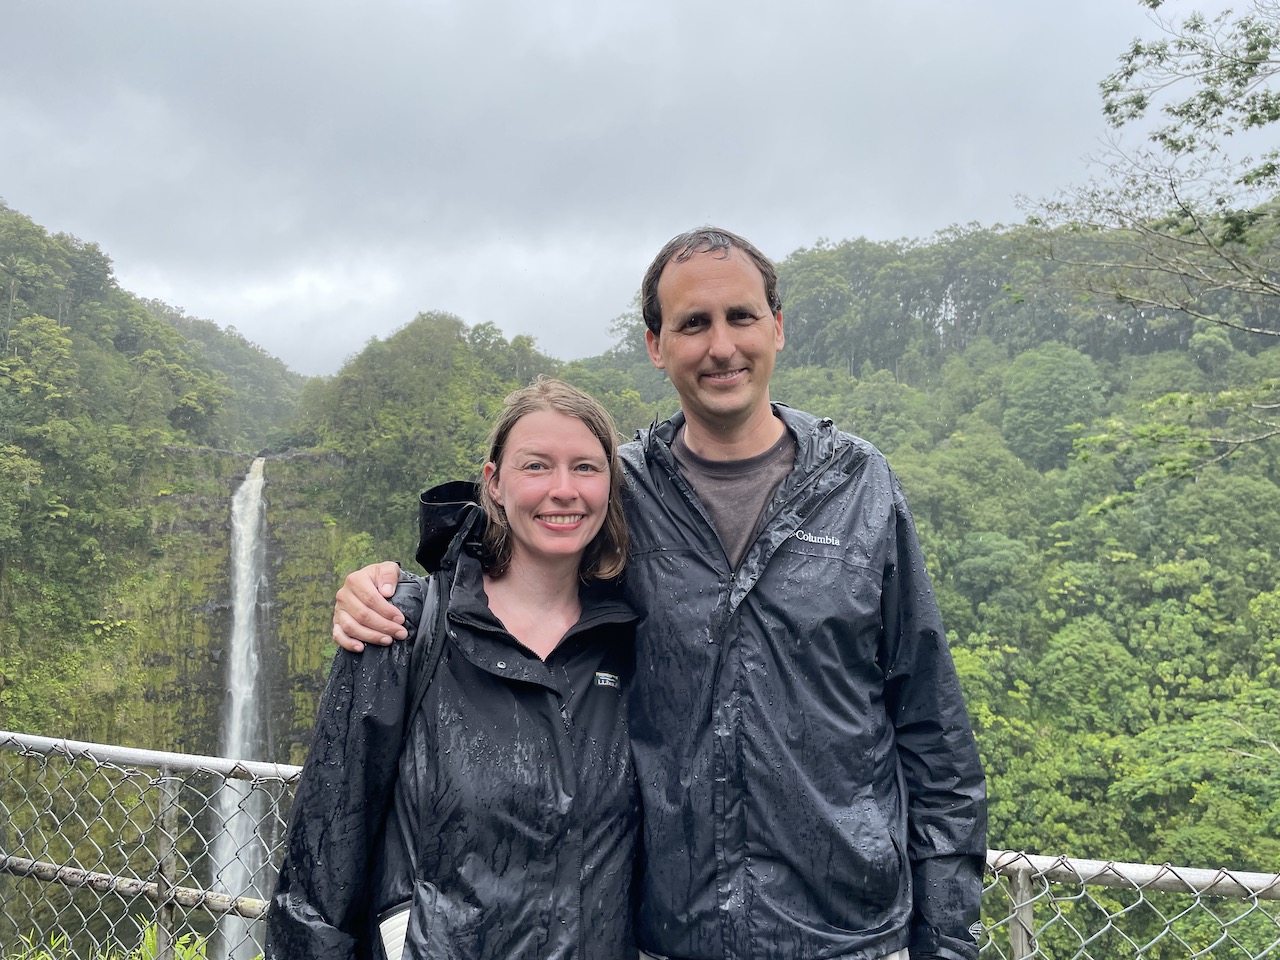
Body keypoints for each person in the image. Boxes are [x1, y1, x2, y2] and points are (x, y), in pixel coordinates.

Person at [333, 228, 988, 960]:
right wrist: (392, 591)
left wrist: (947, 941)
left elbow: (932, 732)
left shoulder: (859, 485)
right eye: (693, 323)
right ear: (655, 344)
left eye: (741, 317)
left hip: (851, 936)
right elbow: (514, 551)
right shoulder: (623, 492)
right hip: (671, 935)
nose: (721, 346)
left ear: (777, 327)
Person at [268, 377, 640, 960]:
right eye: (536, 466)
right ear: (493, 483)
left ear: (611, 486)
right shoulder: (402, 626)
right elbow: (323, 862)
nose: (563, 490)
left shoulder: (634, 641)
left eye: (586, 468)